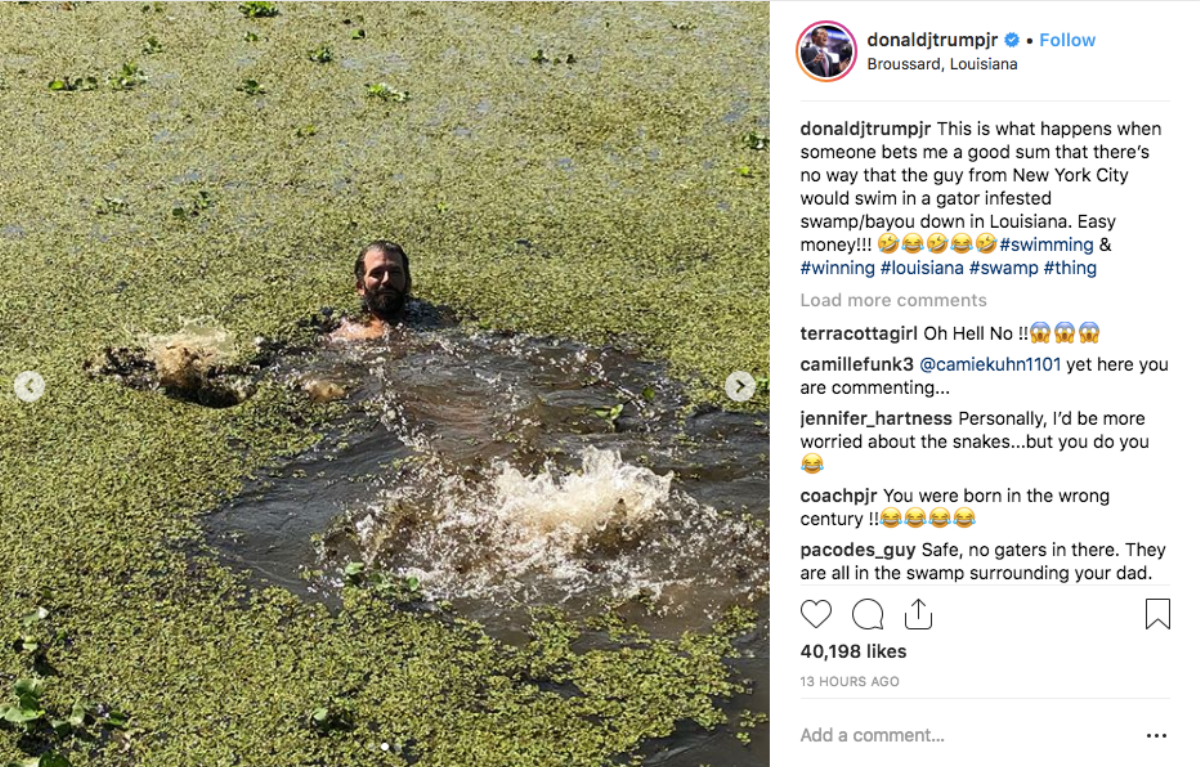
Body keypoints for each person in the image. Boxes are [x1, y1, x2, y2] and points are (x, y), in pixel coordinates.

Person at [331, 240, 412, 340]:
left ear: (408, 282)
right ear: (361, 286)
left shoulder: (427, 318)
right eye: (377, 273)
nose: (386, 279)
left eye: (395, 272)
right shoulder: (337, 324)